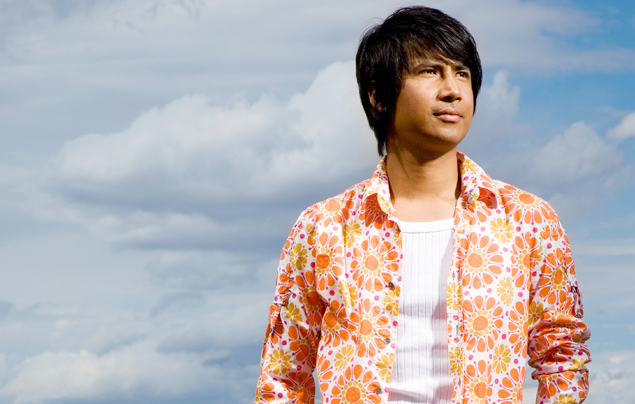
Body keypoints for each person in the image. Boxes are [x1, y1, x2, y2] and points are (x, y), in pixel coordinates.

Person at [255, 6, 590, 404]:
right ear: (378, 95)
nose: (453, 90)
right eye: (430, 71)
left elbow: (562, 357)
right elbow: (284, 374)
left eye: (462, 73)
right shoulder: (323, 227)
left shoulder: (527, 220)